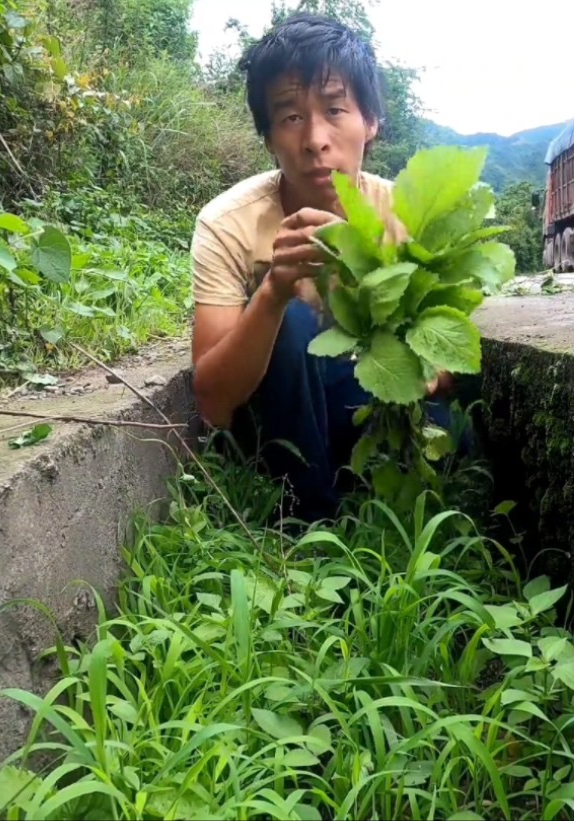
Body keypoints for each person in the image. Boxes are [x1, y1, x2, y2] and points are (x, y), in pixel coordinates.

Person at [188, 12, 453, 522]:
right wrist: (274, 291)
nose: (315, 139)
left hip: (374, 405)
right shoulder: (228, 224)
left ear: (371, 122)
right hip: (284, 421)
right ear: (268, 137)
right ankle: (305, 523)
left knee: (455, 429)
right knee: (290, 316)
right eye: (290, 116)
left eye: (335, 109)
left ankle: (407, 507)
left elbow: (448, 370)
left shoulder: (408, 216)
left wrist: (425, 372)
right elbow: (213, 405)